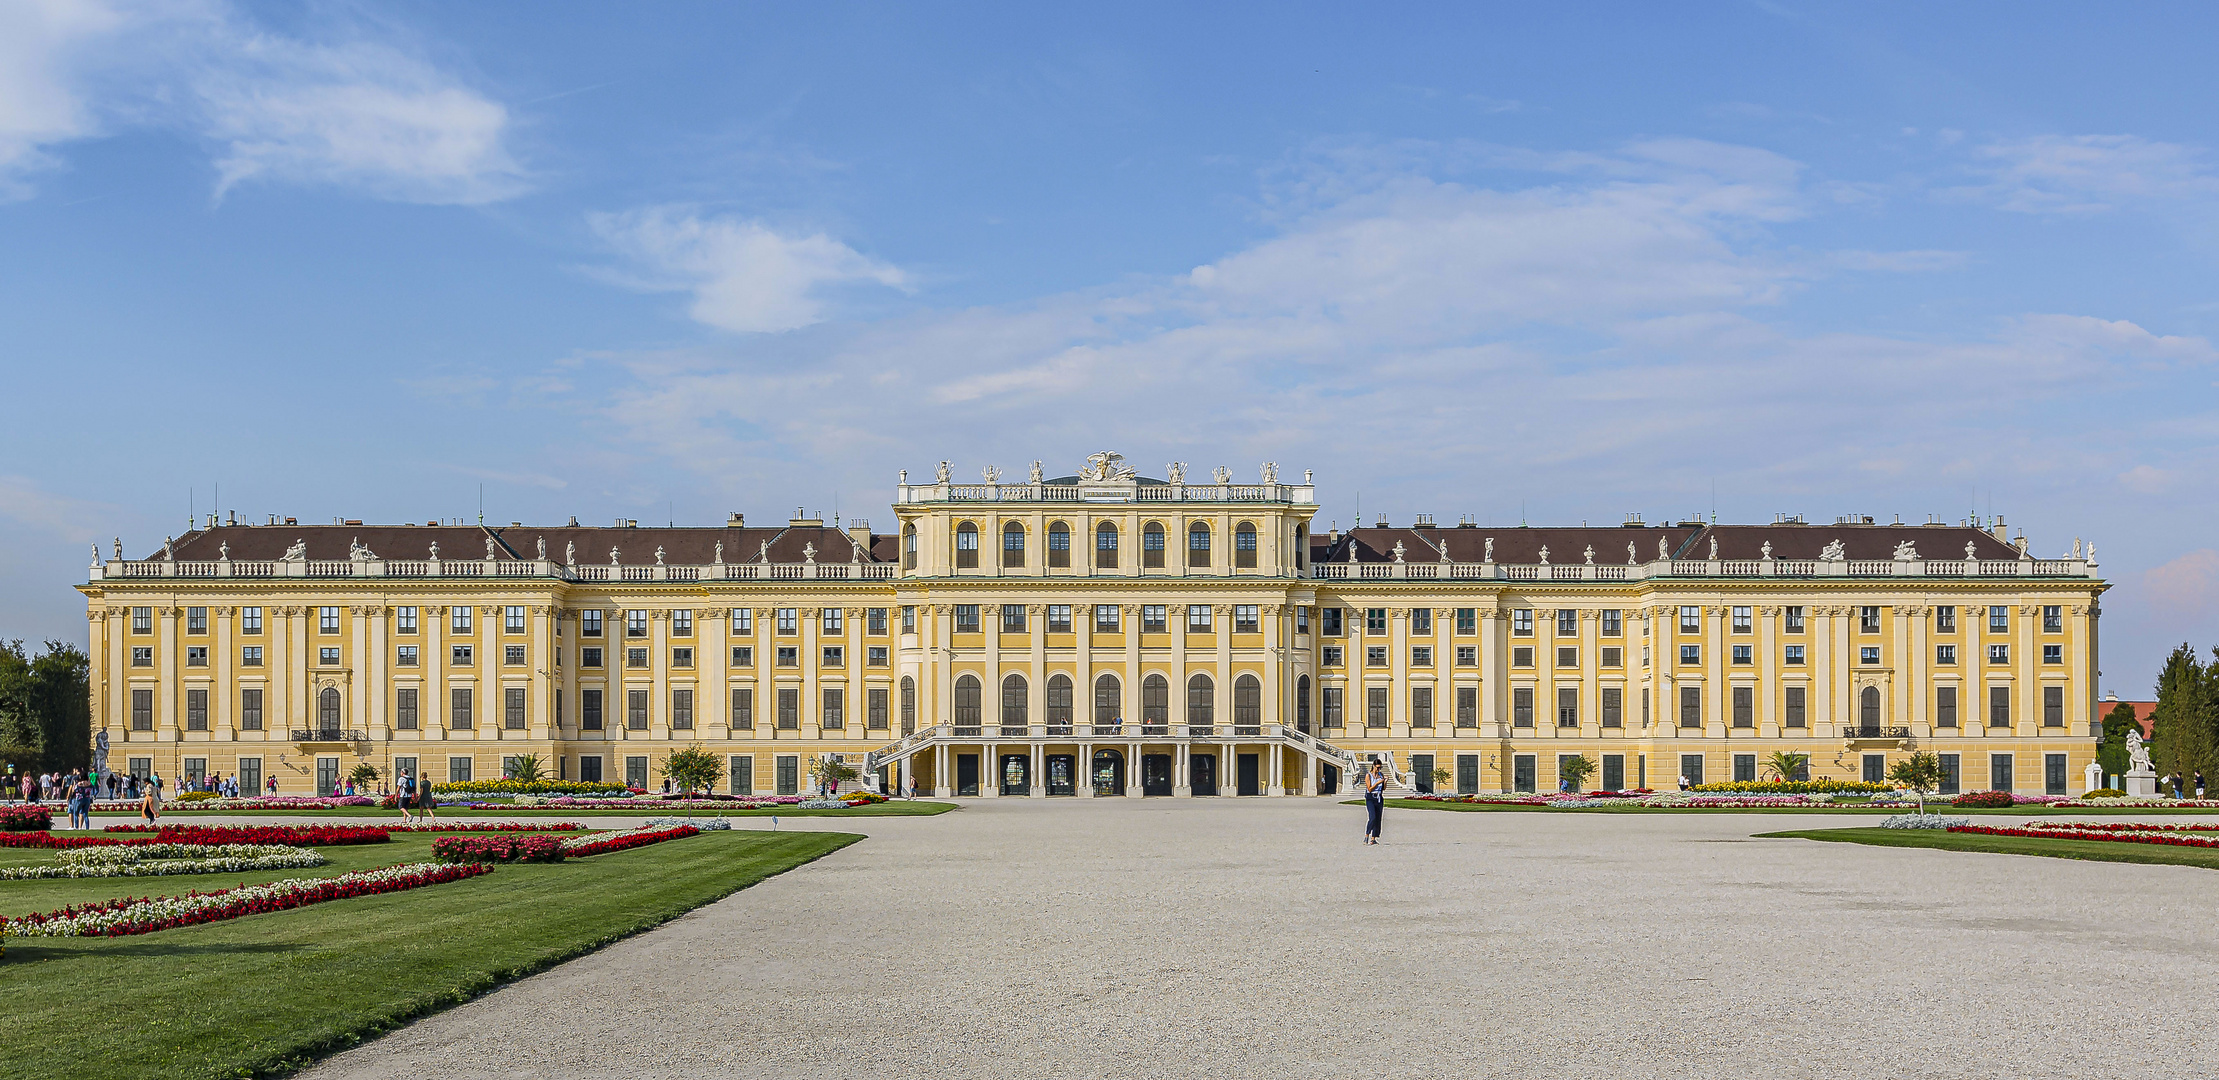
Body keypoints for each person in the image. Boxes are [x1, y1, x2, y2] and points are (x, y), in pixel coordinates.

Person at [1363, 761, 1387, 845]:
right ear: (1373, 766)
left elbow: (1383, 788)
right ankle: (1367, 835)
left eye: (1380, 767)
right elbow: (1369, 789)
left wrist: (1385, 782)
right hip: (1370, 797)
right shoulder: (1368, 775)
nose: (1379, 769)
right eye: (1377, 767)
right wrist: (1377, 783)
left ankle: (1373, 838)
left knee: (1378, 818)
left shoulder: (1381, 775)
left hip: (1379, 798)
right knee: (1372, 817)